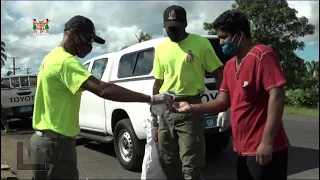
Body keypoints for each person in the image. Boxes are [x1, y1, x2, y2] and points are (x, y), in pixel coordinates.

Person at [28, 15, 173, 180]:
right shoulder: (65, 62)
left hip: (44, 142)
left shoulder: (51, 57)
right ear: (74, 34)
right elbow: (102, 89)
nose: (89, 46)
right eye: (88, 40)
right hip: (55, 146)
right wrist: (150, 98)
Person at [173, 10, 290, 180]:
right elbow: (222, 102)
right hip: (242, 149)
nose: (220, 42)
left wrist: (267, 141)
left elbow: (277, 95)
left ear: (240, 35)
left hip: (265, 149)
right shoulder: (229, 66)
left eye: (224, 37)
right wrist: (191, 107)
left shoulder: (262, 55)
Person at [152, 5, 225, 179]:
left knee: (191, 163)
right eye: (169, 28)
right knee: (167, 158)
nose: (172, 32)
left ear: (185, 23)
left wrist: (223, 103)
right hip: (166, 108)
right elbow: (158, 82)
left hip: (190, 108)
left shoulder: (200, 43)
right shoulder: (162, 48)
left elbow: (218, 73)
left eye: (176, 28)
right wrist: (154, 111)